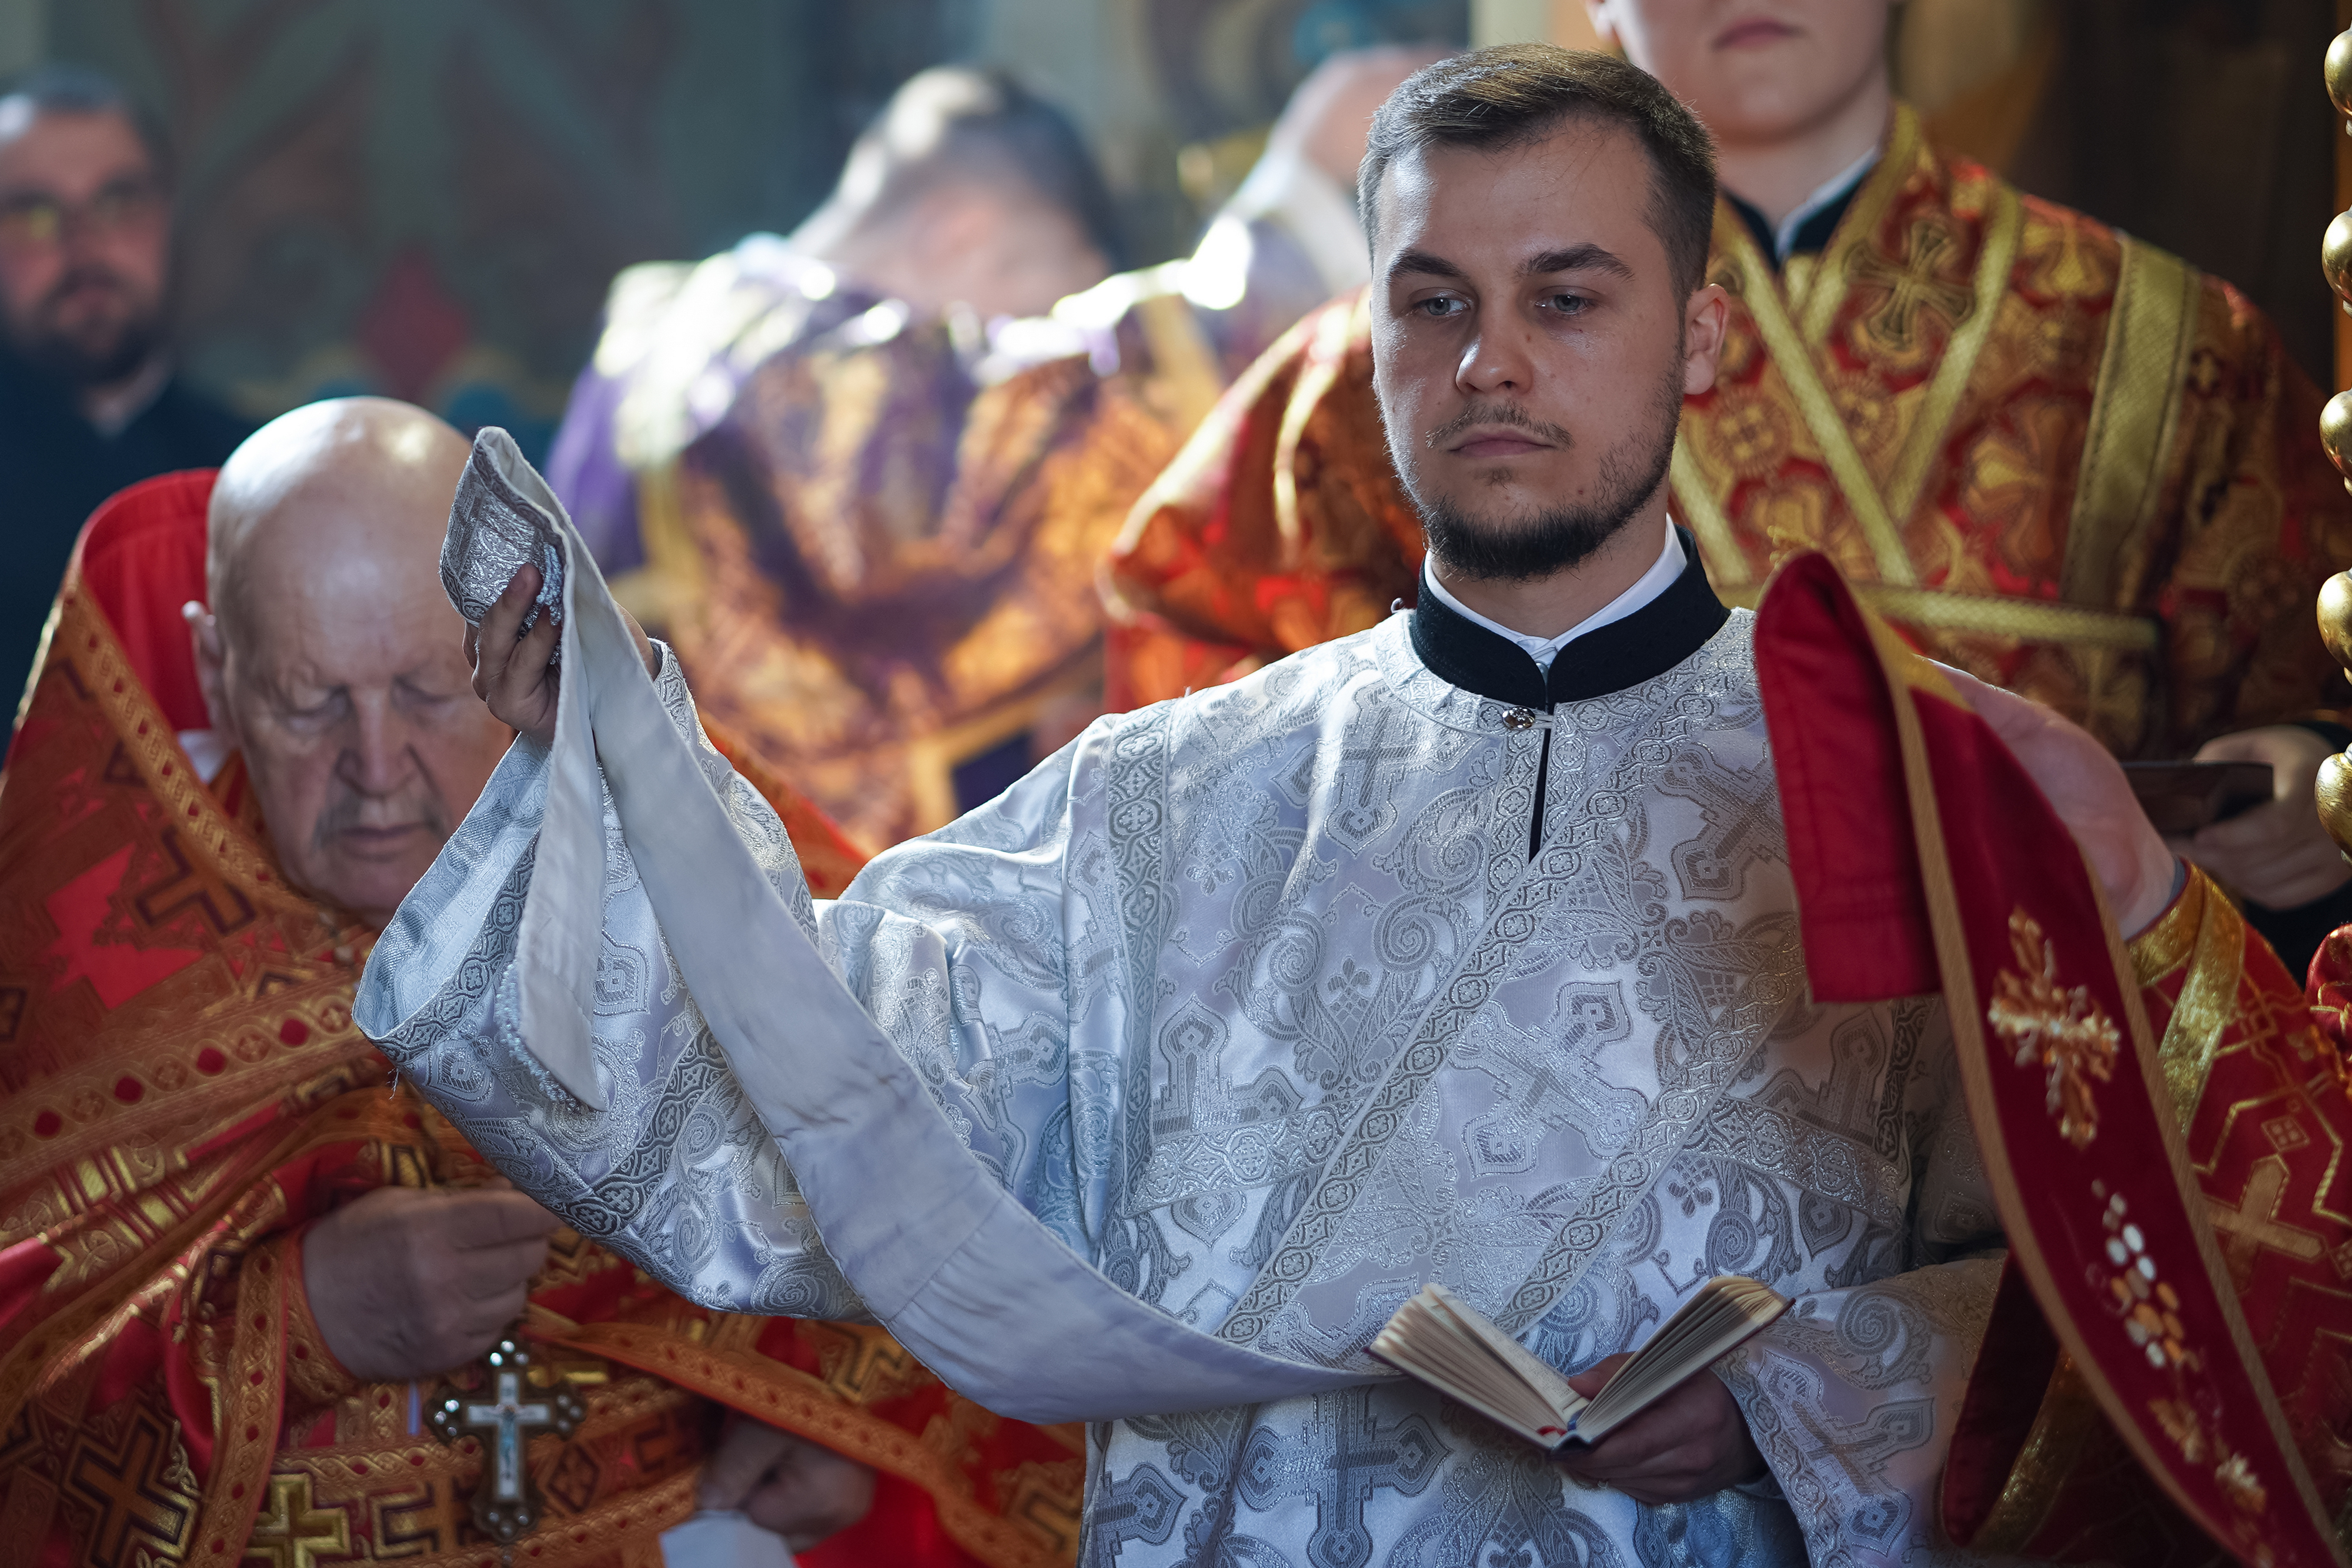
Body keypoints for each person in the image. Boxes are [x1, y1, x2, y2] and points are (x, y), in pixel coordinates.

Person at [363, 50, 2346, 1562]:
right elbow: (789, 1108)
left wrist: (1803, 1394)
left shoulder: (1902, 786)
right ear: (1370, 336)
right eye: (1433, 300)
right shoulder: (1152, 806)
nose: (1492, 363)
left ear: (1702, 335)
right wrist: (594, 779)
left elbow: (2140, 1274)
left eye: (1569, 297)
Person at [0, 397, 1081, 1567]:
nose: (375, 768)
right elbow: (26, 1390)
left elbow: (936, 1159)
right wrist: (300, 1321)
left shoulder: (667, 830)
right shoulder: (88, 954)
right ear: (218, 670)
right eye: (309, 703)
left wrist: (854, 1422)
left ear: (510, 635)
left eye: (427, 691)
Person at [1103, 0, 2352, 975]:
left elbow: (2304, 685)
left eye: (1568, 297)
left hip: (2033, 1056)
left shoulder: (2160, 344)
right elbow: (1201, 675)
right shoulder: (1397, 368)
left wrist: (2309, 773)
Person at [544, 51, 1436, 848]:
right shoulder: (778, 368)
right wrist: (1295, 207)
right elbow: (1047, 434)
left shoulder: (659, 339)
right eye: (1036, 305)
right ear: (957, 228)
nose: (1026, 346)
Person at [0, 65, 249, 748]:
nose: (84, 247)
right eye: (34, 213)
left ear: (169, 219)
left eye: (119, 202)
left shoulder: (262, 475)